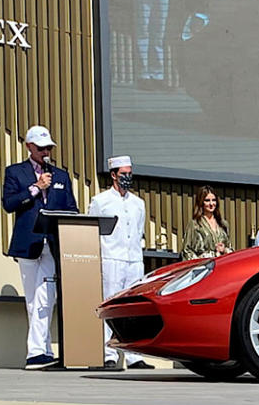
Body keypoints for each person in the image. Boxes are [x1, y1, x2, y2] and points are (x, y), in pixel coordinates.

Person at [1, 126, 78, 370]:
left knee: (47, 296)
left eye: (48, 148)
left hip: (53, 243)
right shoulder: (15, 172)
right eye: (40, 148)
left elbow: (72, 209)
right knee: (33, 300)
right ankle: (41, 351)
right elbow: (10, 203)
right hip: (28, 243)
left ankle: (36, 353)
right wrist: (36, 188)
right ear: (28, 147)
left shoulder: (61, 176)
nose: (45, 152)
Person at [87, 156, 154, 370]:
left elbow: (139, 231)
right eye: (123, 173)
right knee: (111, 306)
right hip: (111, 258)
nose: (127, 177)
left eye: (130, 173)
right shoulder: (101, 201)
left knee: (133, 307)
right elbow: (92, 231)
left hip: (133, 259)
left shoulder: (138, 203)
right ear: (114, 175)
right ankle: (110, 354)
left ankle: (134, 354)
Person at [182, 186, 233, 260]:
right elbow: (186, 250)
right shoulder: (195, 224)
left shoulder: (223, 224)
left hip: (221, 265)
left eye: (214, 200)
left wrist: (224, 250)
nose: (211, 203)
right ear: (201, 202)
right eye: (207, 200)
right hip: (203, 267)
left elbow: (231, 249)